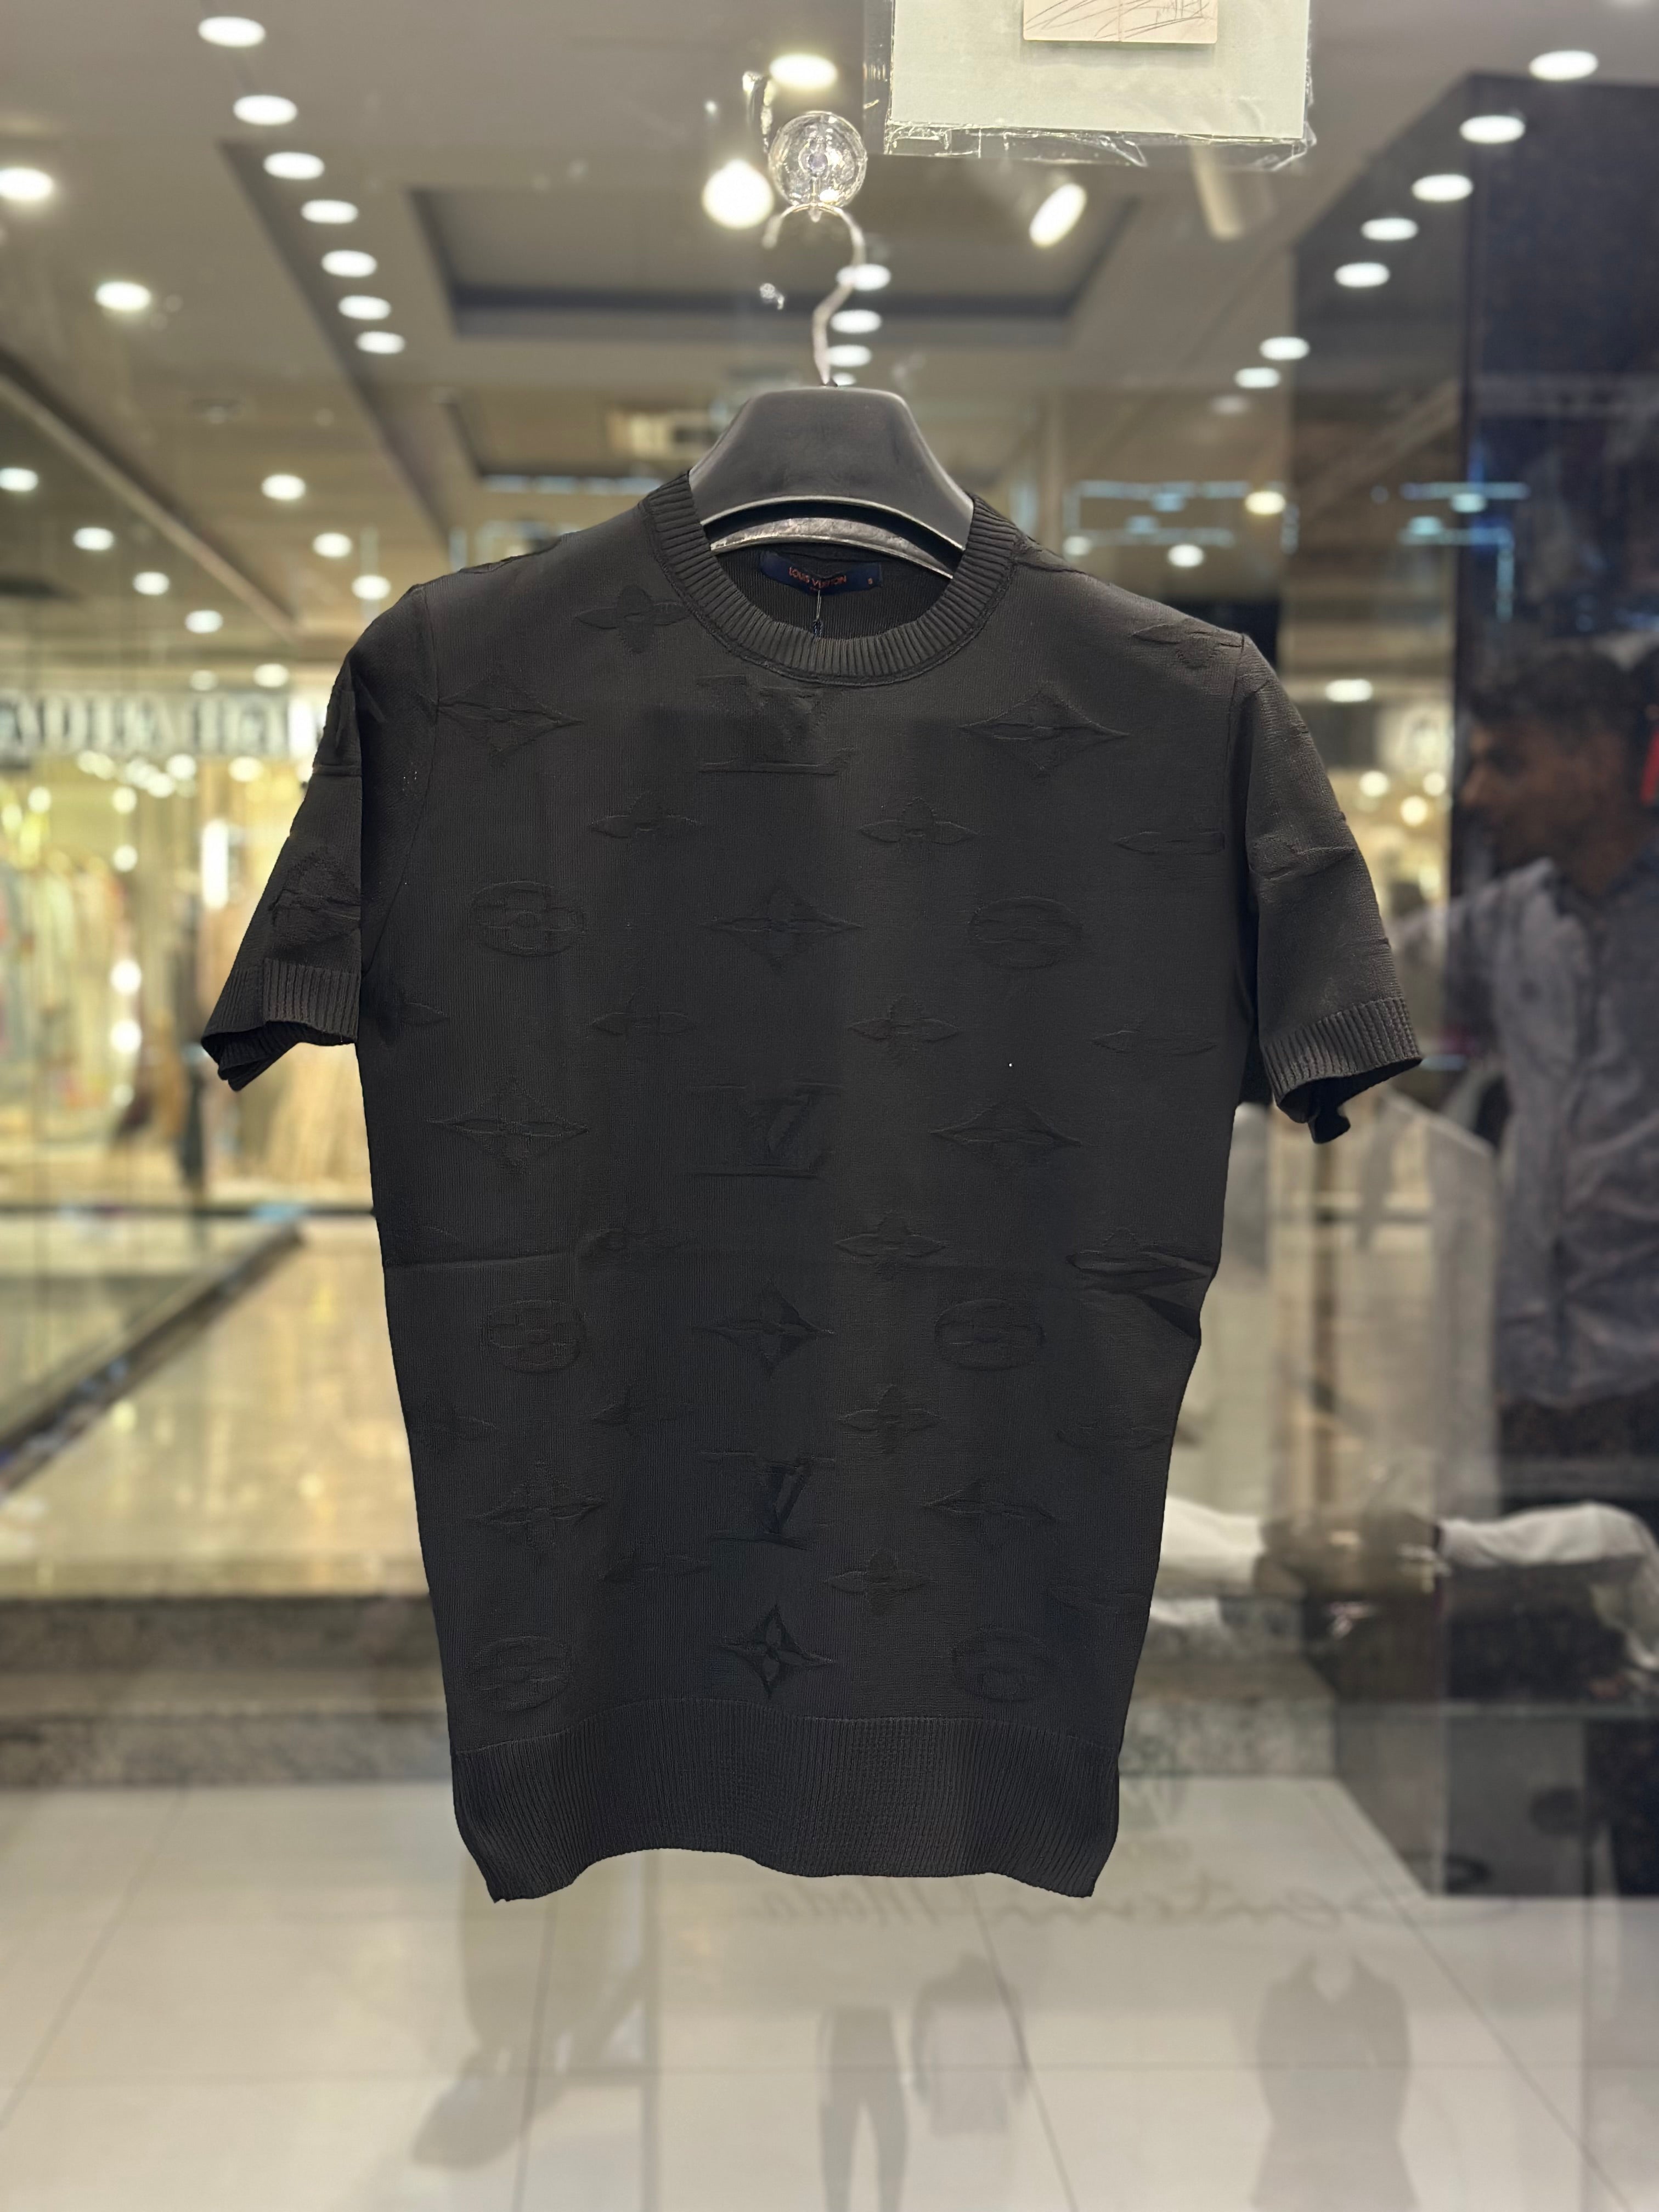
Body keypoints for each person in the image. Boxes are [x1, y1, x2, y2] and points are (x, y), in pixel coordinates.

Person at [1443, 646, 1659, 1527]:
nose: (1476, 795)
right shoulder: (1505, 921)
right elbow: (1364, 983)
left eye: (1508, 763)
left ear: (1597, 763)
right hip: (1536, 1383)